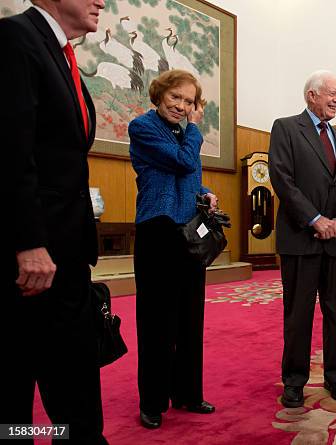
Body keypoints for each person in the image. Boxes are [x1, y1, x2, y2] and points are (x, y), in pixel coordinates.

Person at [0, 0, 108, 443]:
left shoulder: (62, 54)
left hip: (68, 253)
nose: (101, 0)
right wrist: (28, 242)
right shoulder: (15, 39)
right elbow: (9, 149)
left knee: (74, 377)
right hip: (34, 254)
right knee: (15, 383)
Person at [128, 69, 217, 429]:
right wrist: (195, 128)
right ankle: (152, 401)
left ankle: (187, 394)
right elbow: (180, 162)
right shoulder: (143, 127)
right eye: (176, 97)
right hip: (157, 231)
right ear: (160, 94)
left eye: (189, 101)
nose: (182, 106)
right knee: (156, 321)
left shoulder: (185, 135)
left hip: (188, 234)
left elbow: (187, 176)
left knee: (190, 317)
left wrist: (204, 193)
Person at [269, 70, 336, 408]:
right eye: (332, 93)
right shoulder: (285, 128)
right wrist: (315, 219)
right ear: (312, 95)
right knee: (298, 315)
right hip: (301, 239)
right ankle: (294, 381)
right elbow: (282, 179)